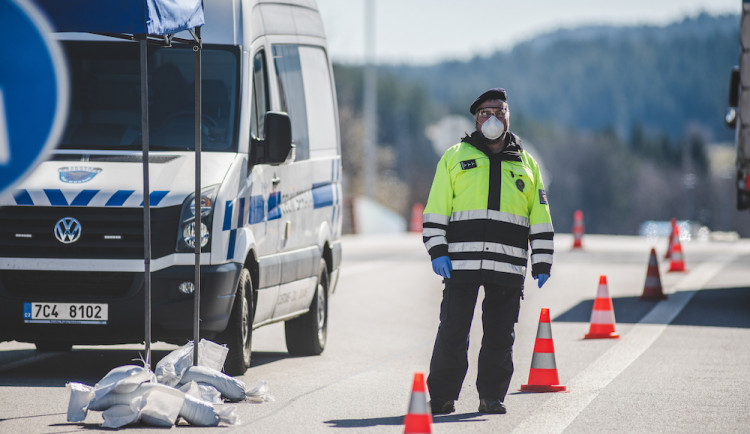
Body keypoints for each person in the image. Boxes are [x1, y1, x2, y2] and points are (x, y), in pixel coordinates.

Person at [422, 88, 553, 415]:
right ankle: (442, 397)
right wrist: (437, 250)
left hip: (507, 268)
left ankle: (491, 397)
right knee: (452, 332)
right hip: (459, 265)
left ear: (508, 116)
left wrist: (543, 260)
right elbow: (435, 210)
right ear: (475, 119)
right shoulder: (454, 157)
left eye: (499, 111)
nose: (492, 118)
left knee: (500, 336)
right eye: (485, 112)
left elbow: (540, 216)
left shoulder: (527, 165)